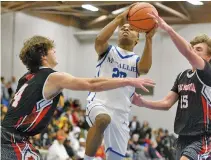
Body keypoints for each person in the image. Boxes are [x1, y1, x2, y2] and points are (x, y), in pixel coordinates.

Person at [0, 35, 155, 160]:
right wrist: (128, 80)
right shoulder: (52, 77)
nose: (55, 51)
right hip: (11, 140)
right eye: (52, 49)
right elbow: (92, 83)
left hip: (10, 136)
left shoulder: (26, 77)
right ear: (43, 55)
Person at [132, 12, 211, 160]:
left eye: (198, 49)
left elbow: (186, 51)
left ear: (208, 57)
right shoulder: (182, 76)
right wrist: (142, 102)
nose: (193, 50)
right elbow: (167, 103)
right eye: (193, 48)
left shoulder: (207, 73)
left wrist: (167, 28)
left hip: (201, 138)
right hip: (181, 137)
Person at [84, 3, 157, 160]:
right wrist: (118, 19)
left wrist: (149, 39)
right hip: (99, 102)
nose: (125, 29)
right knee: (103, 119)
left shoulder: (136, 60)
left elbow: (144, 68)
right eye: (122, 28)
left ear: (137, 39)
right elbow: (99, 40)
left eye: (130, 28)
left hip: (121, 112)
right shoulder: (108, 50)